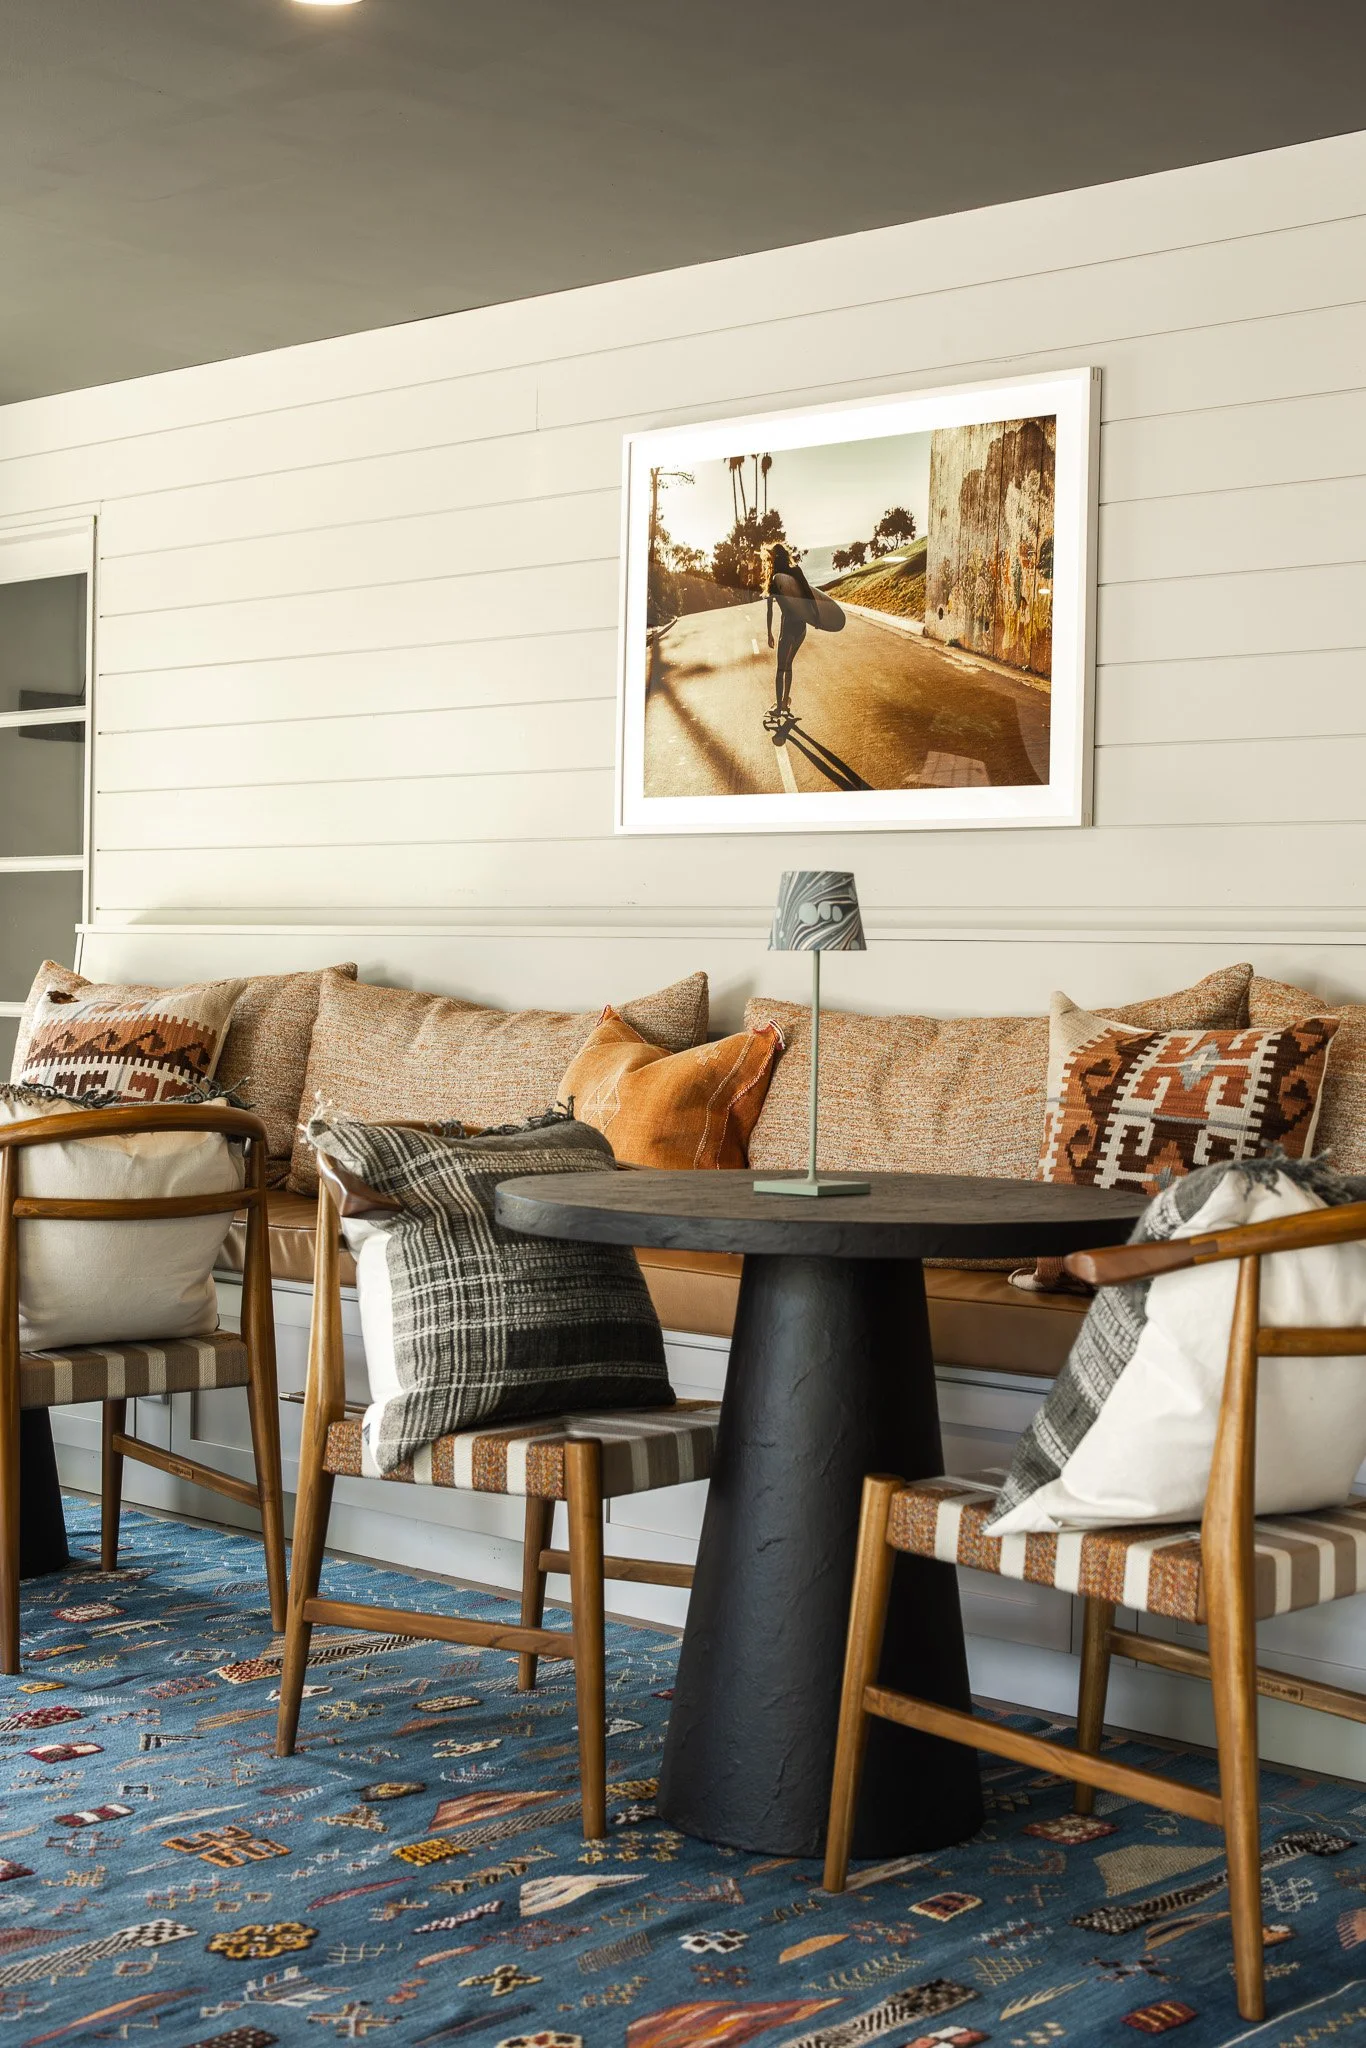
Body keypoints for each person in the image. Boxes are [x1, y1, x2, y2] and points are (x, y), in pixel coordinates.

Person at [765, 543, 817, 727]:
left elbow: (770, 608)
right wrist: (816, 616)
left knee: (781, 669)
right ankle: (785, 703)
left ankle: (779, 708)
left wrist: (769, 632)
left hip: (787, 628)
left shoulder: (774, 580)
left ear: (772, 559)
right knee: (788, 665)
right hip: (801, 627)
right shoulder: (796, 571)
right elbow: (809, 594)